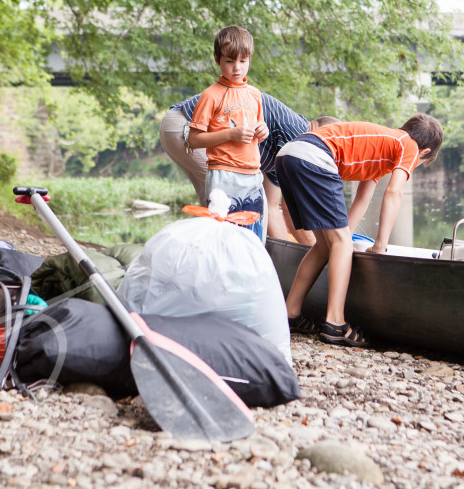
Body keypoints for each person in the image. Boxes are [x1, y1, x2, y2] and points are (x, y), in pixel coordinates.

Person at [274, 114, 443, 347]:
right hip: (314, 155)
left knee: (326, 246)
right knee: (340, 243)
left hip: (289, 155)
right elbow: (394, 193)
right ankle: (335, 323)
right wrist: (379, 245)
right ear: (424, 152)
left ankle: (290, 313)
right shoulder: (409, 145)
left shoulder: (382, 146)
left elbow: (363, 199)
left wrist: (343, 239)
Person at [160, 94, 337, 244]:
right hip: (188, 127)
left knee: (216, 209)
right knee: (247, 197)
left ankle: (209, 265)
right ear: (323, 134)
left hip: (175, 125)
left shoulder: (286, 153)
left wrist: (293, 252)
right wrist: (319, 252)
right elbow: (292, 209)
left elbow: (274, 207)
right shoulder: (301, 134)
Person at [185, 25, 269, 241]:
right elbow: (193, 140)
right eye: (230, 61)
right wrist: (230, 134)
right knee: (223, 237)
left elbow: (257, 128)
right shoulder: (211, 95)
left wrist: (263, 130)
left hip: (253, 176)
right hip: (224, 175)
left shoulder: (255, 94)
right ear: (217, 59)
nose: (236, 68)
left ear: (250, 59)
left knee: (254, 237)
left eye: (243, 61)